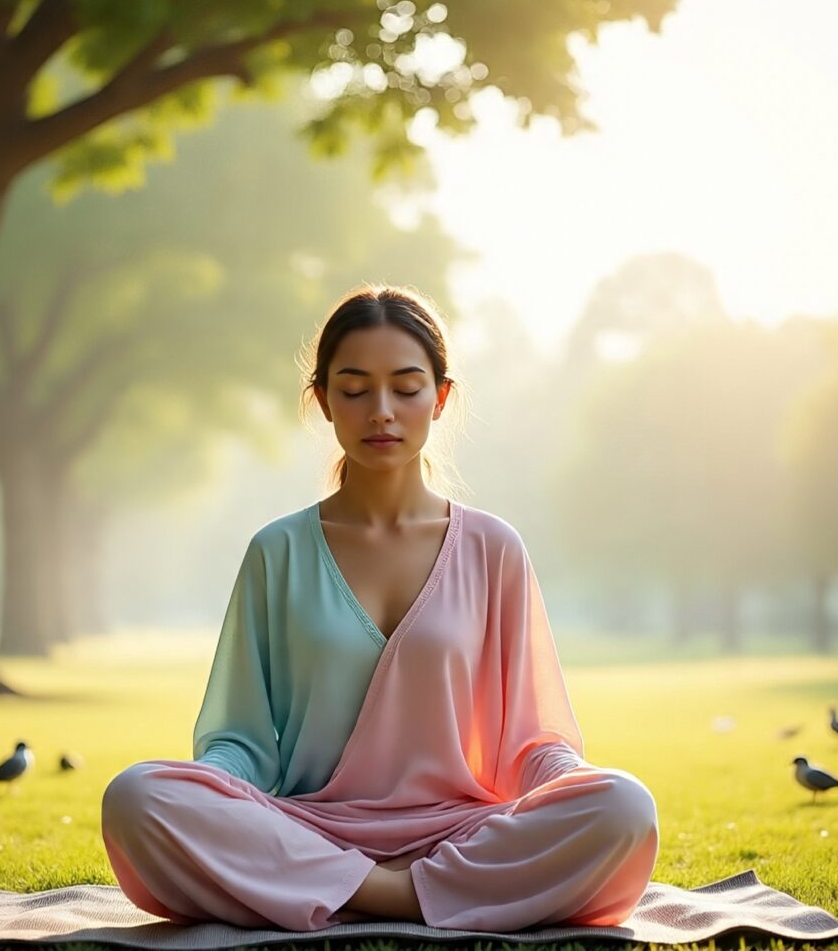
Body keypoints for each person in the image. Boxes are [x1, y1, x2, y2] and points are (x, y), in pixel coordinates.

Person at [101, 283, 659, 932]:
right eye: (355, 388)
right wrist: (211, 795)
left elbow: (533, 742)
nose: (382, 411)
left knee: (624, 807)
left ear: (441, 397)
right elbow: (241, 744)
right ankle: (403, 896)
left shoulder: (493, 548)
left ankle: (361, 897)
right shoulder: (276, 552)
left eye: (406, 386)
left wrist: (572, 782)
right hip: (309, 831)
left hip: (461, 833)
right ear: (323, 401)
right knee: (136, 797)